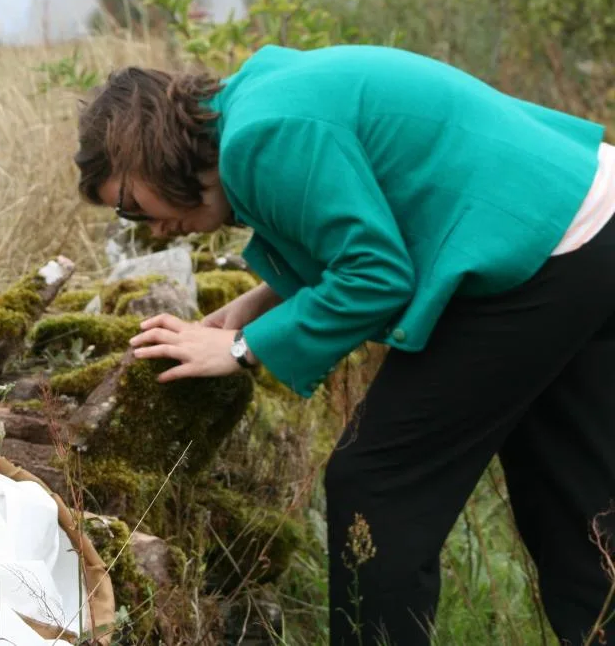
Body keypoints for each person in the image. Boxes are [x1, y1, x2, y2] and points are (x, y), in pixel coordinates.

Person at [72, 43, 615, 645]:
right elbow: (355, 230)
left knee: (376, 481)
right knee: (572, 493)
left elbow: (377, 276)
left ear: (145, 151)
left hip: (543, 246)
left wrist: (240, 350)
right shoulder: (257, 102)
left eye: (129, 207)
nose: (147, 229)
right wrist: (253, 306)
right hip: (586, 221)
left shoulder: (262, 137)